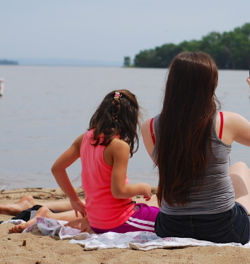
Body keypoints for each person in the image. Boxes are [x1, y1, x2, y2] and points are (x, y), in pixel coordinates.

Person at [140, 52, 250, 245]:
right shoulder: (224, 121)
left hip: (170, 226)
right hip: (223, 229)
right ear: (210, 85)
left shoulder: (149, 127)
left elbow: (173, 168)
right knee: (240, 168)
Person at [8, 89, 160, 234]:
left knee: (150, 209)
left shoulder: (86, 138)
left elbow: (57, 168)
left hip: (96, 219)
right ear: (130, 118)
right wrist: (142, 186)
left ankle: (50, 216)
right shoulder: (119, 146)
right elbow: (118, 191)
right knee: (167, 221)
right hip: (117, 220)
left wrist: (74, 200)